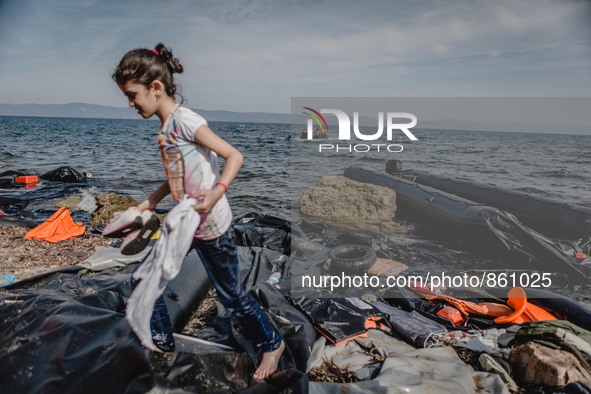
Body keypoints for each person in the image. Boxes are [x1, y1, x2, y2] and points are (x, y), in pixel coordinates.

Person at [112, 43, 284, 381]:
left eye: (133, 95)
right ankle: (161, 342)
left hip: (212, 225)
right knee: (142, 278)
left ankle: (272, 343)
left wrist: (217, 193)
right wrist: (149, 202)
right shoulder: (167, 127)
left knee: (231, 296)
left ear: (156, 88)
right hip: (187, 220)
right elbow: (178, 173)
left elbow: (234, 156)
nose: (131, 103)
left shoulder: (186, 122)